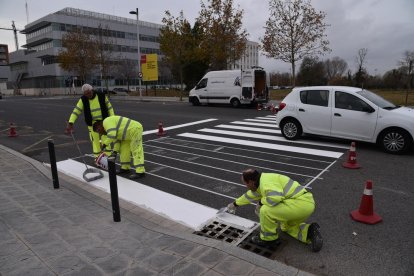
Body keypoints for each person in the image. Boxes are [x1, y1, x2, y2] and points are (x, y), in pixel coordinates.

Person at [226, 169, 323, 252]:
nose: (245, 186)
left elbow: (275, 198)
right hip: (303, 205)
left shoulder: (266, 183)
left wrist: (260, 203)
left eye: (245, 183)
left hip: (299, 204)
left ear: (251, 182)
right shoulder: (261, 182)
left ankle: (268, 239)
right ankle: (310, 231)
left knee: (265, 210)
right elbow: (248, 196)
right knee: (286, 227)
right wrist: (234, 204)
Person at [66, 83, 115, 157]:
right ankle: (97, 158)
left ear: (92, 90)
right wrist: (71, 122)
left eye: (89, 93)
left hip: (104, 122)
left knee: (106, 140)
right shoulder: (83, 100)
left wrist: (112, 118)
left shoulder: (101, 95)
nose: (88, 95)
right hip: (92, 124)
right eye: (86, 94)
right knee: (95, 142)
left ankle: (108, 157)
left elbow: (109, 107)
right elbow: (76, 111)